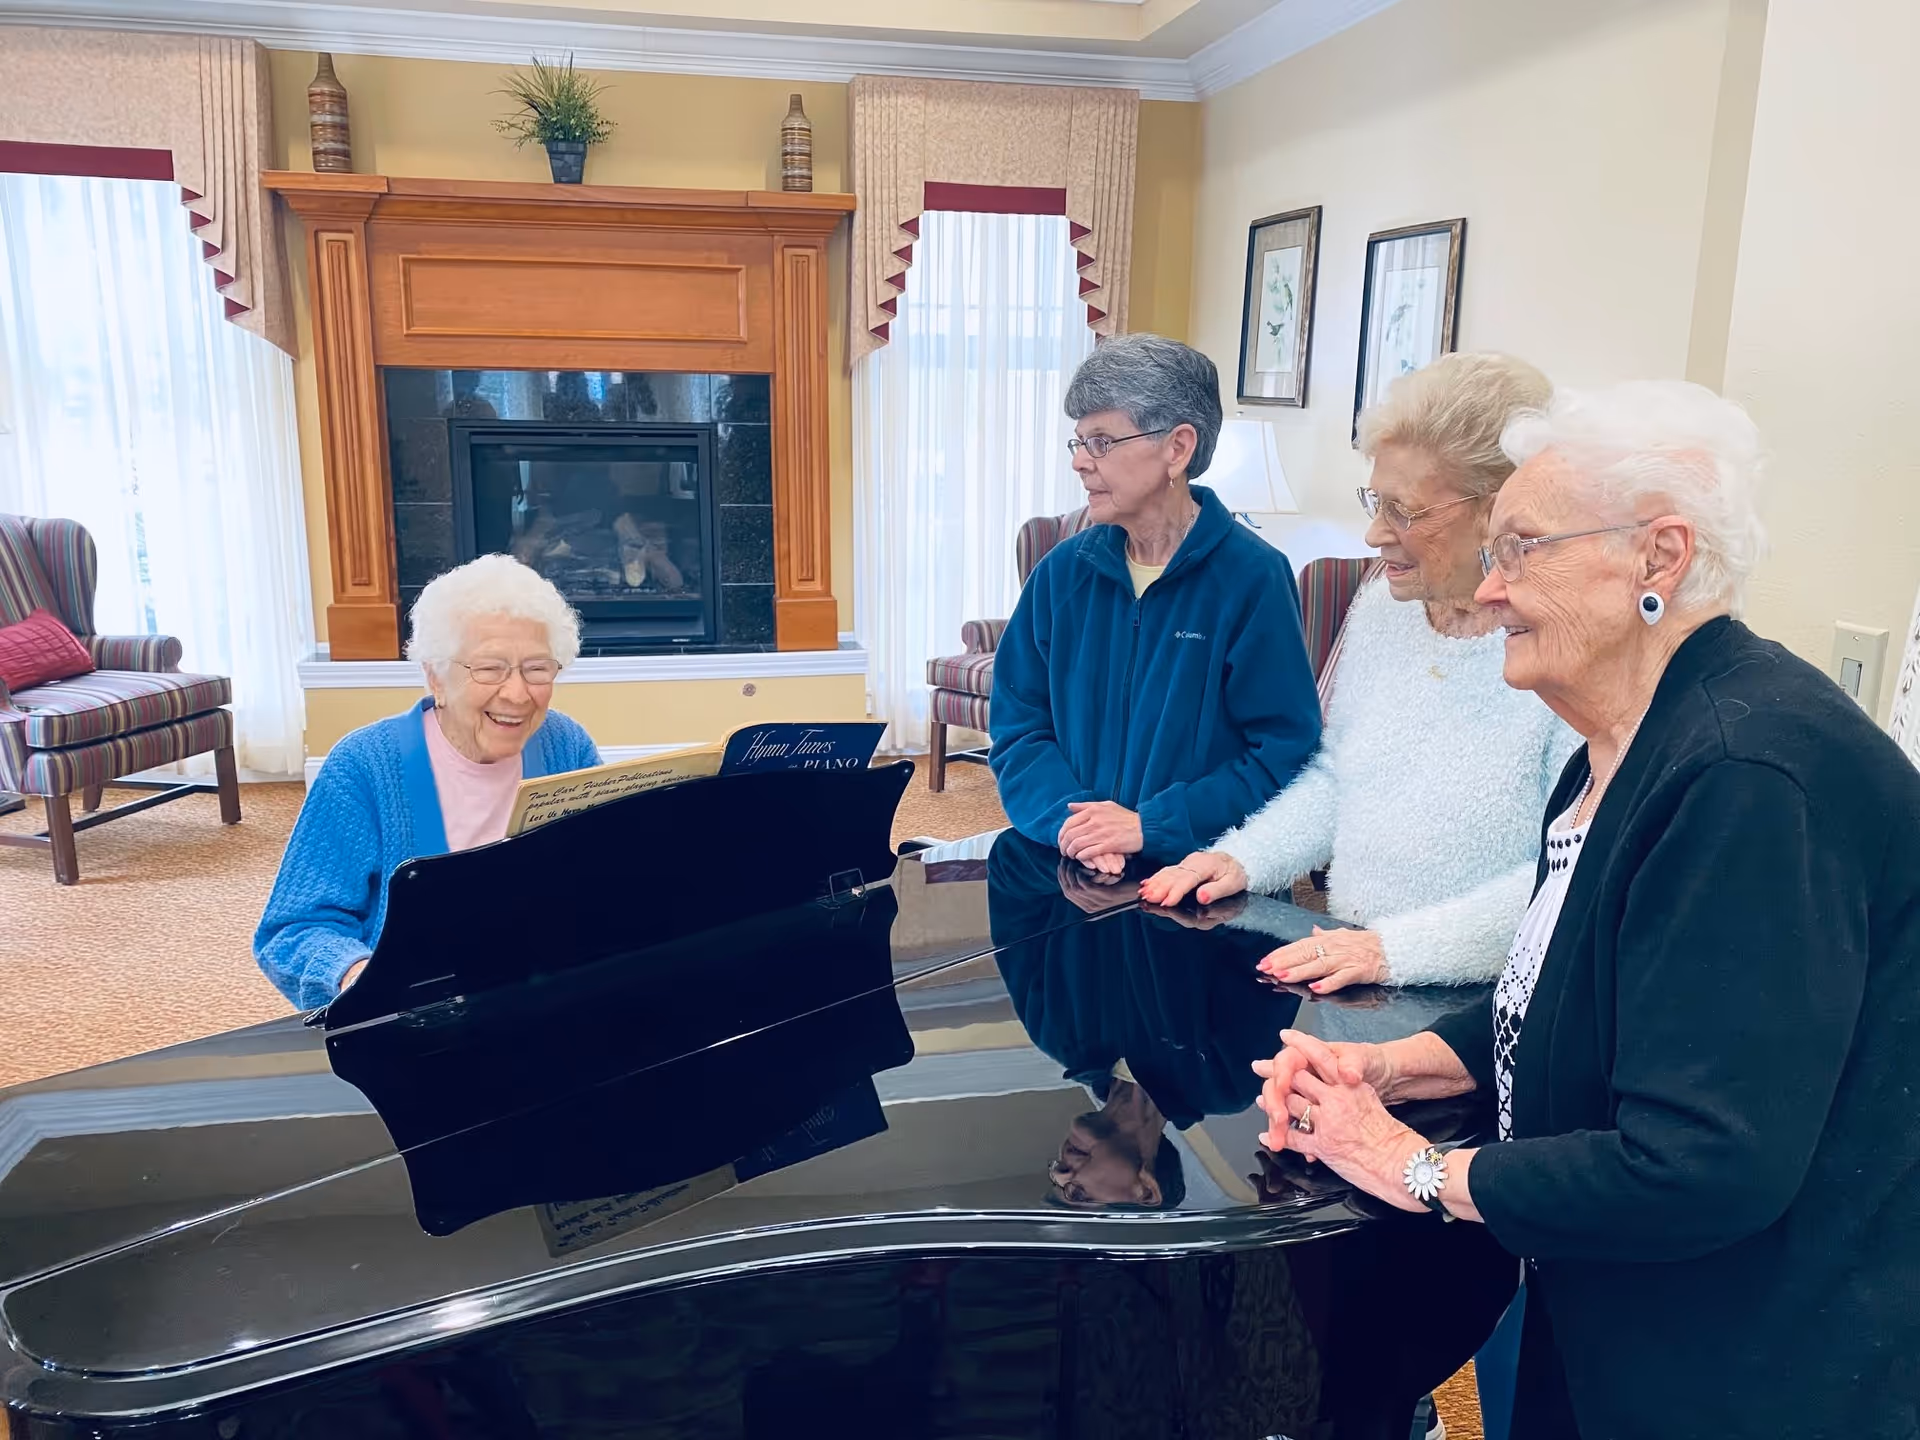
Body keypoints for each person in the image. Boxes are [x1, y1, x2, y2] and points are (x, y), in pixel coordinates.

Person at [1251, 381, 1920, 1438]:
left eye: (1522, 548)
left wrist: (1406, 1162)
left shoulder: (1748, 775)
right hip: (1616, 1307)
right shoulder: (1617, 751)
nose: (1494, 586)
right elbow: (1571, 994)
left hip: (1752, 1362)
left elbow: (1701, 1163)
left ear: (1658, 558)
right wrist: (1387, 1065)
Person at [1142, 354, 1573, 995]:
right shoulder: (1383, 608)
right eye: (1376, 501)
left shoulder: (1563, 647)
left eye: (1404, 510)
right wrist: (1241, 856)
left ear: (1499, 510)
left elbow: (1565, 875)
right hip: (1356, 969)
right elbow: (1336, 777)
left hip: (1490, 1004)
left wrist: (1391, 951)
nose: (1374, 533)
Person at [989, 334, 1321, 873]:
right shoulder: (1060, 574)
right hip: (1077, 866)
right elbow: (1019, 726)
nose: (1079, 462)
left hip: (1200, 882)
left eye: (1100, 441)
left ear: (1178, 448)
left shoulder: (1253, 578)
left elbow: (1282, 752)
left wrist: (1152, 826)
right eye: (1076, 441)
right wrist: (1075, 825)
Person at [256, 555, 601, 1008]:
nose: (518, 694)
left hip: (543, 999)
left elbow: (602, 876)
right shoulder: (364, 767)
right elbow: (294, 929)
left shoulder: (566, 746)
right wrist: (362, 977)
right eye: (489, 668)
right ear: (435, 675)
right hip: (421, 1018)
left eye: (537, 668)